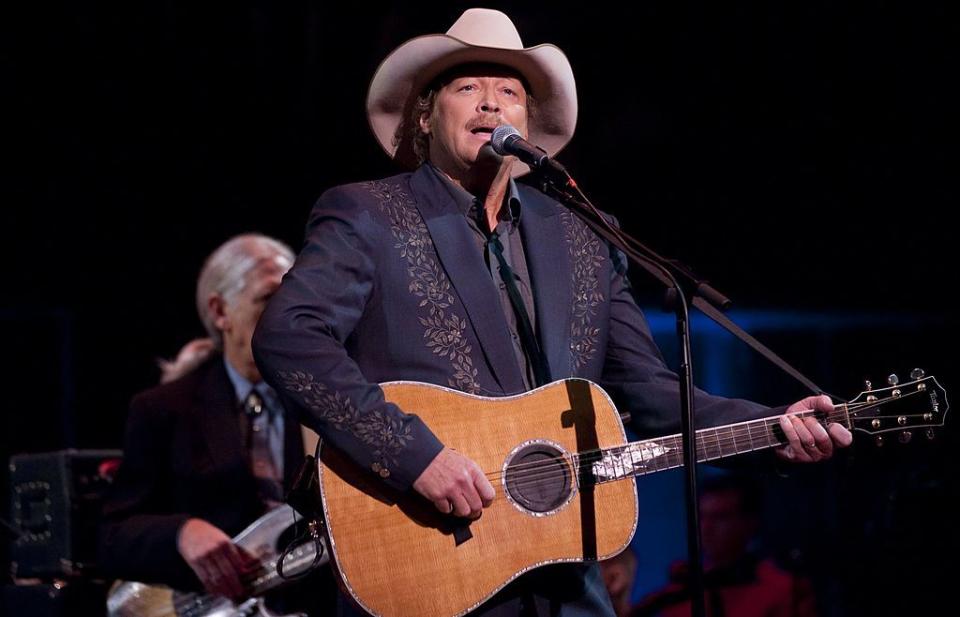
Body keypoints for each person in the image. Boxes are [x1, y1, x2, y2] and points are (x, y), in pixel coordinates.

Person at [252, 8, 852, 616]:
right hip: (428, 557)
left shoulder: (582, 236)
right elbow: (288, 338)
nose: (492, 105)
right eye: (468, 88)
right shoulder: (369, 214)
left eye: (509, 92)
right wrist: (417, 458)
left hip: (561, 565)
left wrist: (770, 426)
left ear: (528, 125)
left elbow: (642, 390)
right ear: (426, 117)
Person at [98, 233, 336, 614]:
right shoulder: (163, 409)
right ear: (220, 311)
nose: (288, 315)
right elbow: (112, 538)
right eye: (268, 299)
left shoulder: (329, 402)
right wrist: (181, 533)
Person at [632, 474, 818, 617]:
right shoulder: (680, 587)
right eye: (702, 517)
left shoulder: (784, 588)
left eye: (720, 517)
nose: (706, 528)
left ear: (749, 522)